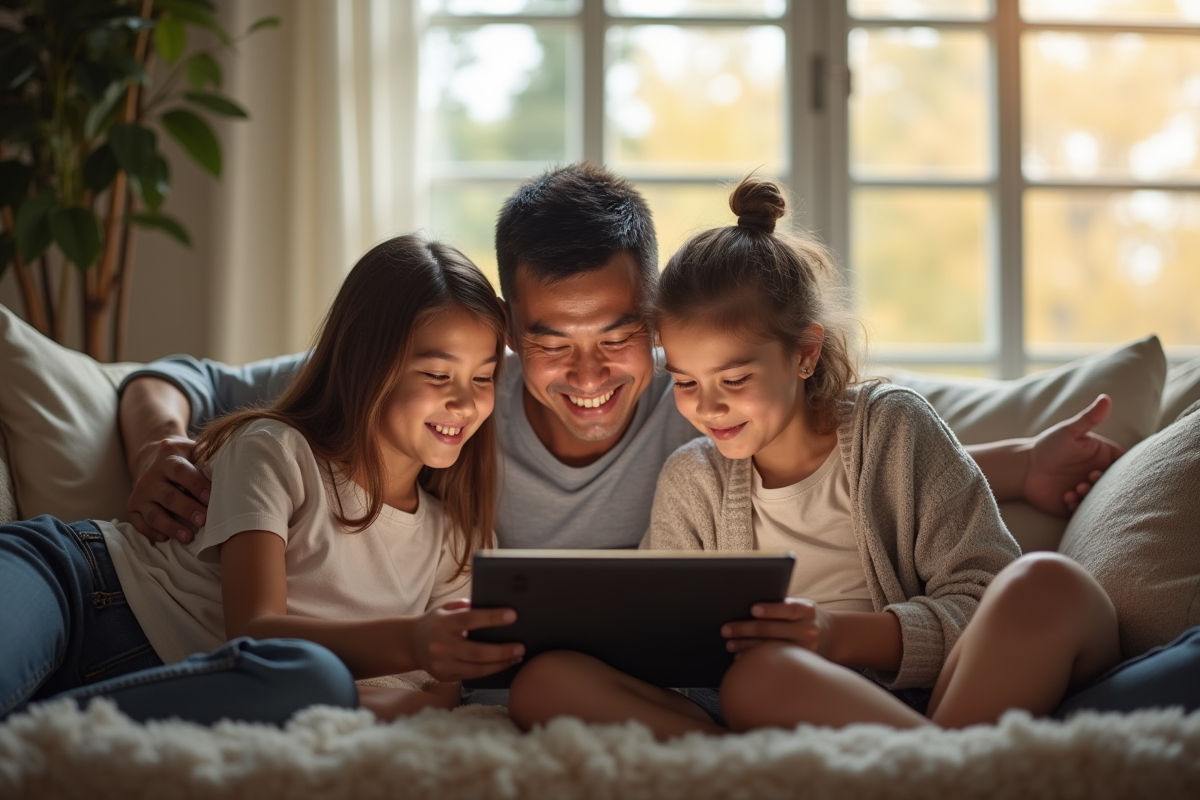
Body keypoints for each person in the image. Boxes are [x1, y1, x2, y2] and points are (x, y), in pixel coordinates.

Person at [506, 176, 1124, 739]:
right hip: (768, 703)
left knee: (1050, 583)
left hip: (930, 696)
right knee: (550, 683)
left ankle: (933, 766)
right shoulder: (692, 476)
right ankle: (943, 770)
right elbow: (673, 655)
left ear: (804, 354)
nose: (709, 407)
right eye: (687, 382)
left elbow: (981, 593)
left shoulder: (893, 427)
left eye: (735, 379)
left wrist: (836, 637)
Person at [0, 235, 521, 723]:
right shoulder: (275, 448)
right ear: (366, 364)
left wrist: (351, 687)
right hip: (74, 583)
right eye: (437, 375)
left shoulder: (458, 540)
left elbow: (429, 703)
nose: (466, 401)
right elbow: (254, 630)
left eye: (483, 378)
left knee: (310, 678)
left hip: (187, 679)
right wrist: (413, 640)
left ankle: (49, 727)